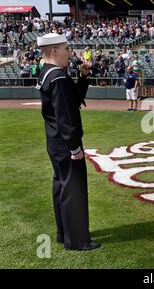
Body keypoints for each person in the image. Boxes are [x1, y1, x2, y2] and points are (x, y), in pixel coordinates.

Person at [36, 33, 100, 251]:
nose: (69, 53)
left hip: (54, 142)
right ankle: (78, 240)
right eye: (65, 48)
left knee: (61, 187)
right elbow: (66, 116)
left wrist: (83, 76)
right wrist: (75, 147)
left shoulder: (47, 73)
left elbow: (72, 101)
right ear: (54, 51)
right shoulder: (58, 78)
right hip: (65, 144)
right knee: (74, 190)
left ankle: (65, 233)